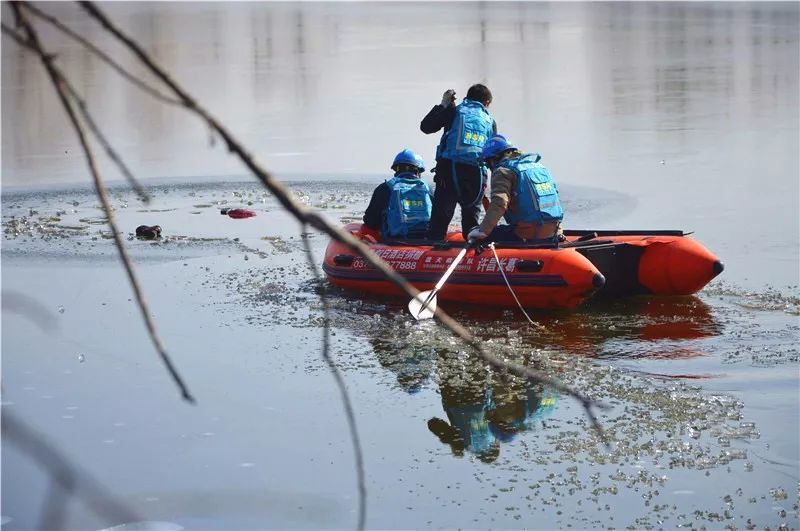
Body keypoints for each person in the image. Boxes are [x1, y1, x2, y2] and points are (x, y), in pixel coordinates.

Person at [421, 84, 497, 241]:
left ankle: (435, 243)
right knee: (471, 219)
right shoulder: (489, 121)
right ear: (487, 103)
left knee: (441, 218)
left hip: (449, 170)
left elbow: (426, 127)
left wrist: (443, 105)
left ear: (467, 97)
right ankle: (472, 245)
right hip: (476, 174)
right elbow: (492, 154)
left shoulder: (454, 111)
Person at [467, 135, 564, 244]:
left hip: (529, 233)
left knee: (474, 234)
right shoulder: (539, 167)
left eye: (488, 163)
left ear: (493, 159)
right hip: (555, 231)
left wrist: (482, 231)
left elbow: (499, 202)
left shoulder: (502, 171)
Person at [359, 149, 432, 242]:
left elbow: (371, 222)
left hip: (394, 241)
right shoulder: (427, 189)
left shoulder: (386, 187)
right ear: (418, 171)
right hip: (426, 240)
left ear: (396, 169)